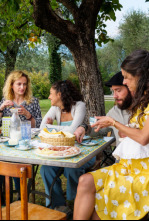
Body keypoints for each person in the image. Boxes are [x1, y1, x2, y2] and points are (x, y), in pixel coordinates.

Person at [74, 49, 149, 220]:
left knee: (96, 210)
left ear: (140, 77)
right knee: (85, 180)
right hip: (126, 166)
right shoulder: (117, 110)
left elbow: (144, 137)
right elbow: (97, 125)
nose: (114, 95)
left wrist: (115, 124)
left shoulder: (142, 106)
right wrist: (84, 127)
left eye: (121, 87)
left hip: (141, 172)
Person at [40, 80, 95, 214]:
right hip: (61, 151)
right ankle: (58, 205)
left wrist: (52, 127)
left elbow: (72, 131)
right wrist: (57, 128)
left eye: (51, 94)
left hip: (82, 150)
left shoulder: (79, 106)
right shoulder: (55, 107)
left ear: (59, 94)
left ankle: (76, 201)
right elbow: (42, 128)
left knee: (72, 169)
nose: (49, 97)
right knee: (45, 169)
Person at [0, 70, 42, 196]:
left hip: (25, 144)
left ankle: (21, 197)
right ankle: (3, 201)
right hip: (7, 143)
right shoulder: (5, 101)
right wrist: (1, 108)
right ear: (11, 85)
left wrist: (28, 115)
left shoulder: (32, 102)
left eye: (24, 84)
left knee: (17, 165)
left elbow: (39, 125)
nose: (22, 87)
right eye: (19, 84)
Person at [74, 71, 132, 147]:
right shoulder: (114, 111)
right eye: (113, 91)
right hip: (121, 158)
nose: (114, 96)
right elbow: (100, 130)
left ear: (131, 88)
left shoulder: (145, 111)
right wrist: (84, 127)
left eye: (118, 90)